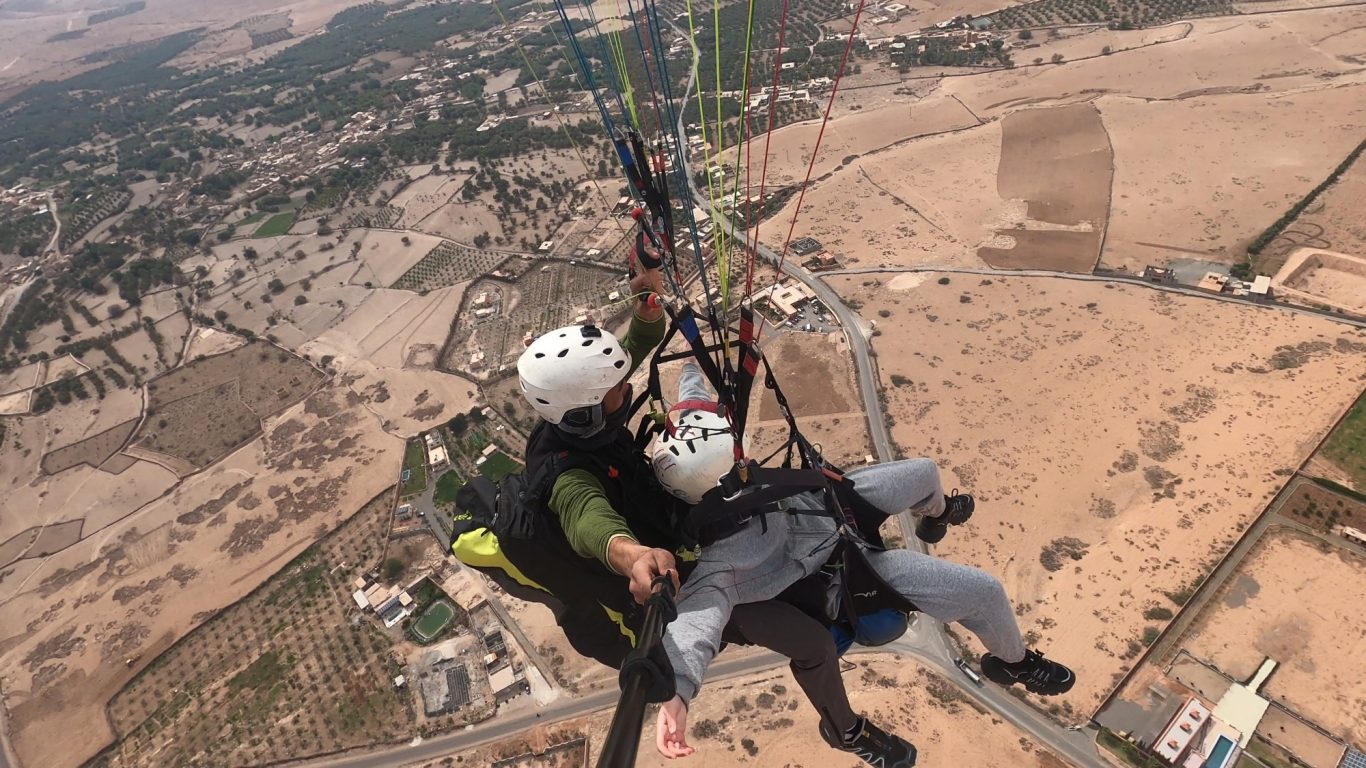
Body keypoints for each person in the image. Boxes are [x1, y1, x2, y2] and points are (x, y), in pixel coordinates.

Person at [504, 255, 915, 768]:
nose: (626, 390)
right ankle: (847, 731)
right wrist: (630, 554)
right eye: (616, 394)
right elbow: (590, 520)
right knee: (813, 644)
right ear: (584, 410)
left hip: (695, 524)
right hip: (688, 575)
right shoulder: (567, 477)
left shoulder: (580, 416)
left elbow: (629, 355)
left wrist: (647, 308)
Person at [650, 361, 1076, 764]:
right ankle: (1007, 665)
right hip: (837, 574)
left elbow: (692, 404)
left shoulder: (703, 453)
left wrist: (689, 367)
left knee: (924, 472)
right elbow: (695, 622)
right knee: (983, 591)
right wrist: (677, 691)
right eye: (736, 467)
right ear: (713, 485)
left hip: (822, 506)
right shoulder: (724, 562)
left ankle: (938, 514)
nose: (745, 465)